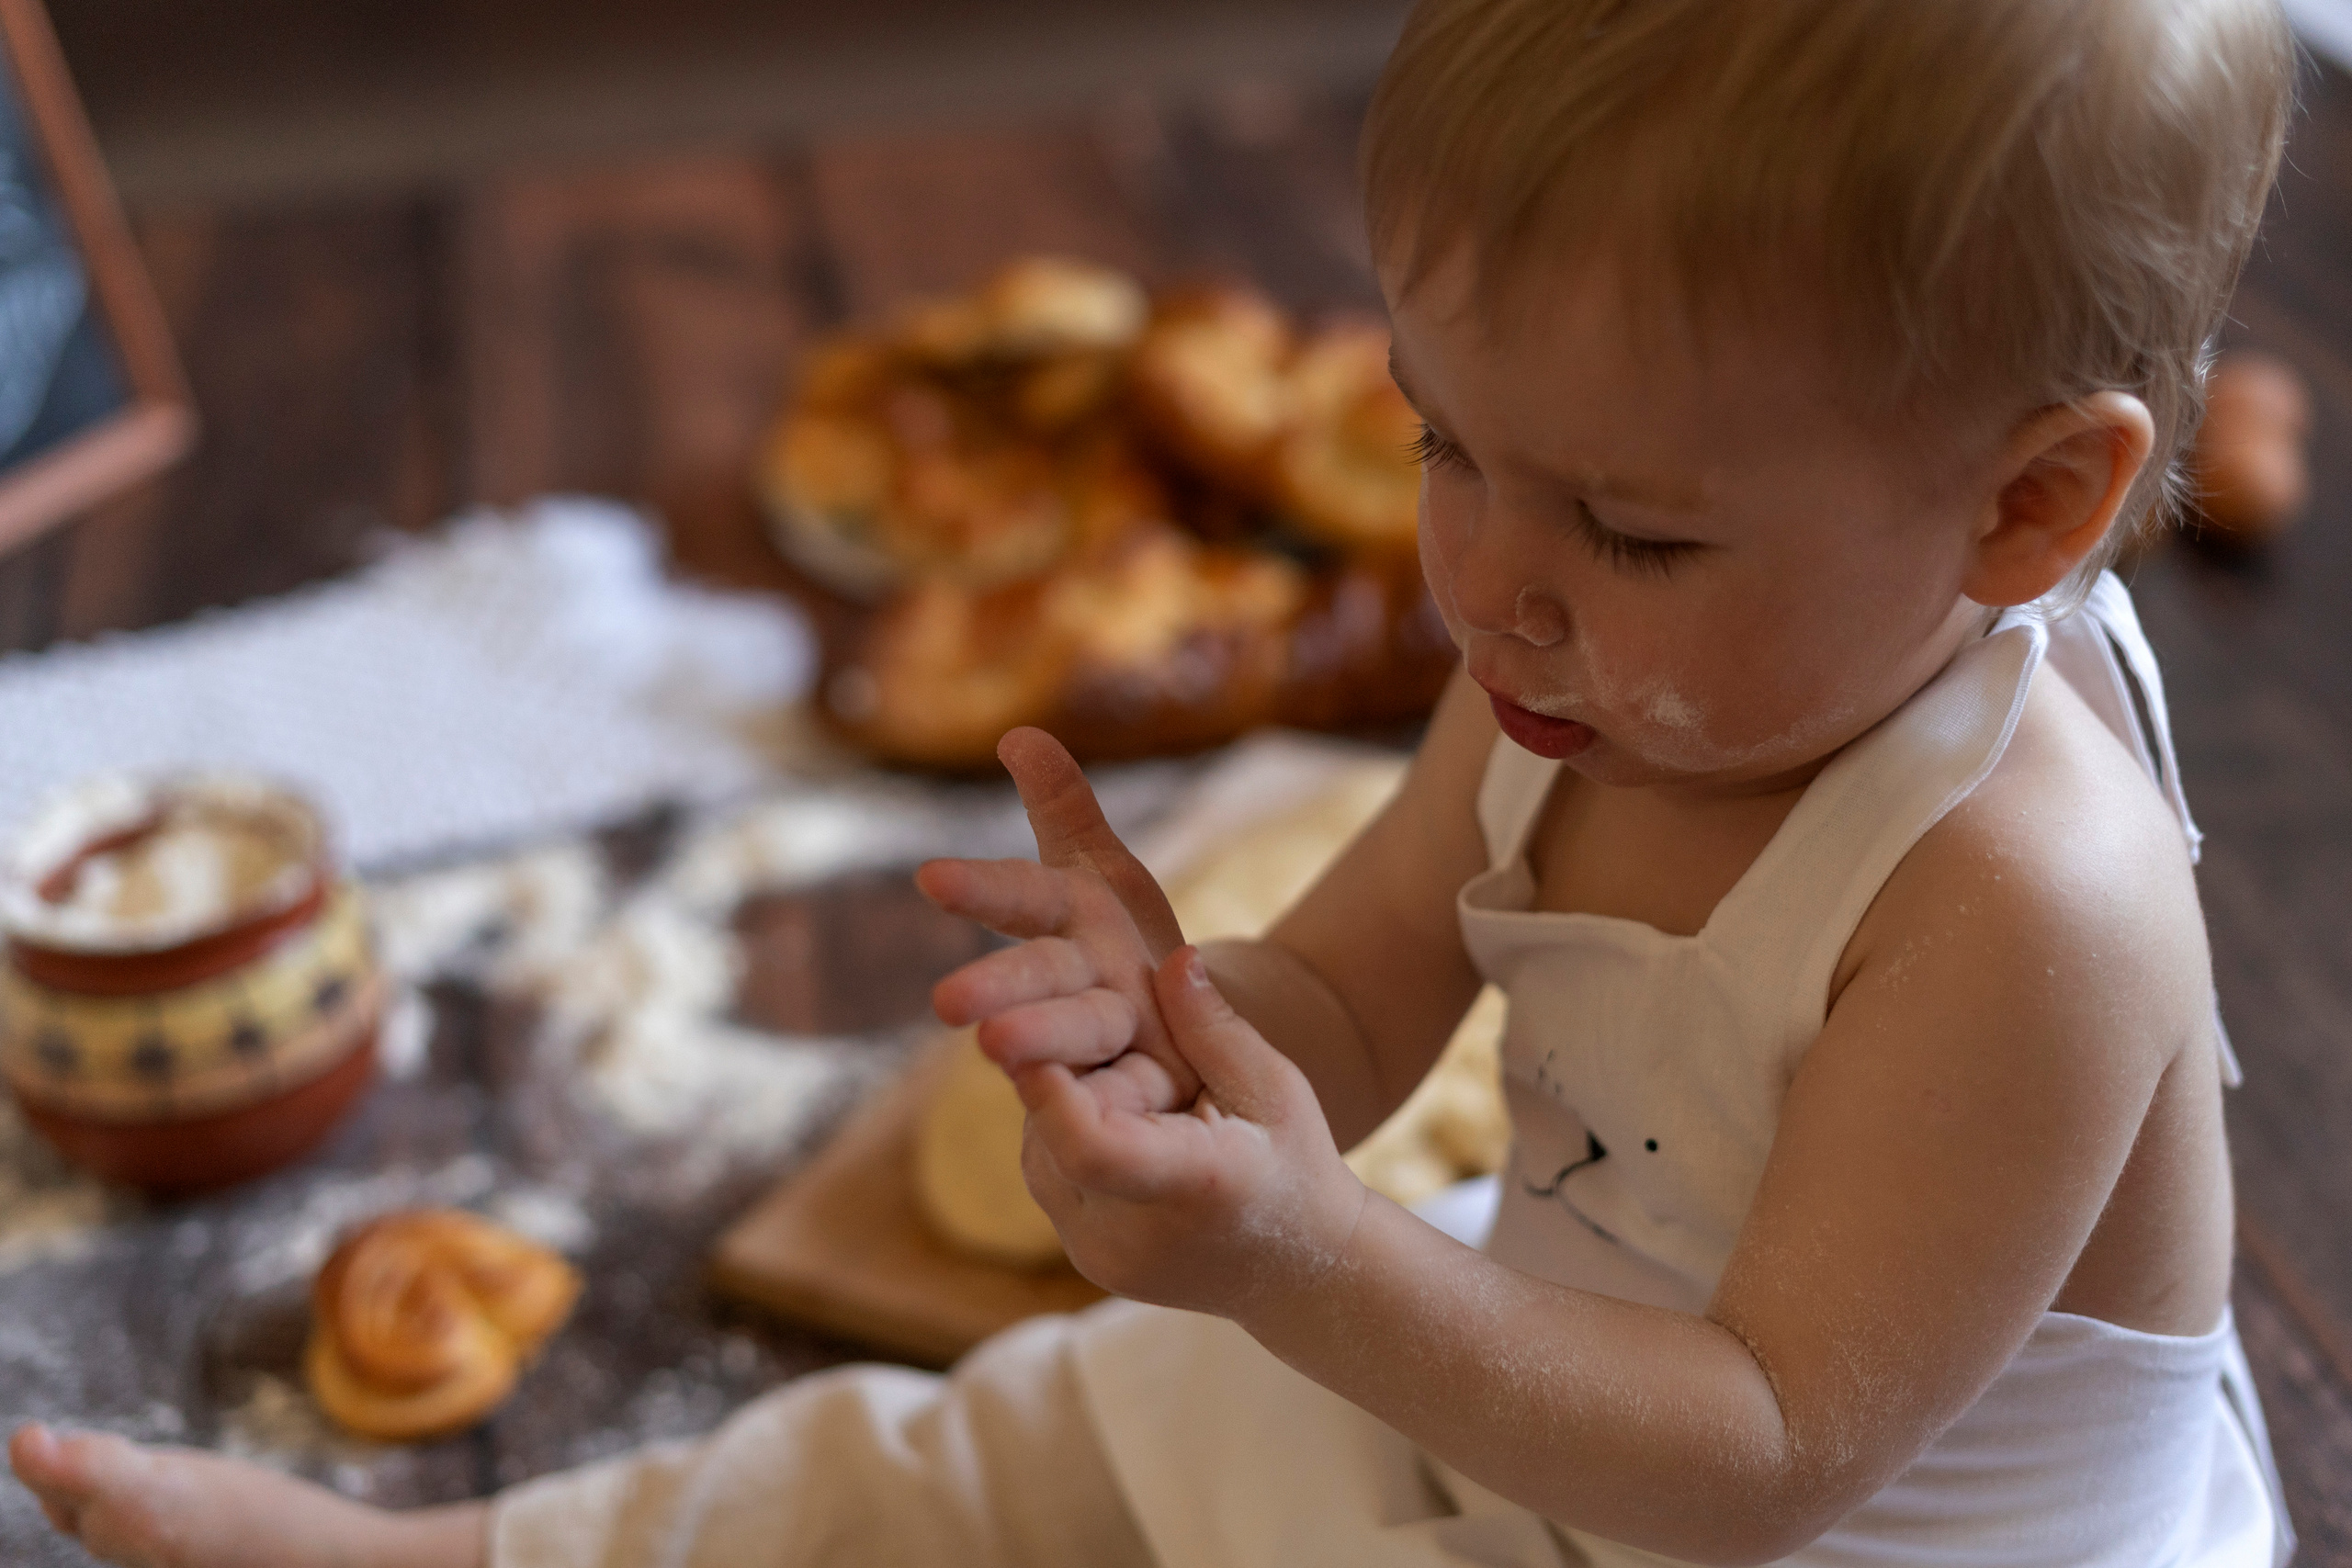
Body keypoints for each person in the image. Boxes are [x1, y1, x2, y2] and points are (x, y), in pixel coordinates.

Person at [8, 0, 2301, 1562]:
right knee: (985, 1440)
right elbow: (1355, 987)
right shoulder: (1574, 666)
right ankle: (466, 1551)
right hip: (1522, 1416)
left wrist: (1304, 1253)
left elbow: (1764, 1452)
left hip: (1747, 1514)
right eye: (1442, 441)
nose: (1480, 578)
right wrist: (1200, 1056)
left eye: (1634, 524)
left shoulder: (2020, 903)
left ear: (2020, 514)